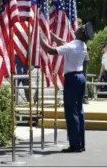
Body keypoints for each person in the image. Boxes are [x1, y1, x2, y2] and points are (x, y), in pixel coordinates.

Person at [41, 22, 94, 153]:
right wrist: (50, 33)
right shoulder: (81, 44)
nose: (76, 30)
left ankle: (74, 145)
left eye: (78, 30)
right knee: (79, 111)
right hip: (80, 77)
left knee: (71, 112)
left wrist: (40, 40)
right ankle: (80, 144)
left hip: (72, 79)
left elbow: (51, 50)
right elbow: (62, 42)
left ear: (81, 34)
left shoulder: (74, 45)